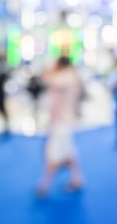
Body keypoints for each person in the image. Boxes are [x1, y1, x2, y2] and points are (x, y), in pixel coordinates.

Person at [35, 56, 85, 198]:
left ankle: (44, 186)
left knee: (52, 154)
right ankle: (77, 180)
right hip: (62, 121)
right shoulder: (70, 75)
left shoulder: (67, 77)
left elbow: (46, 78)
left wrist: (50, 68)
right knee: (69, 153)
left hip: (62, 122)